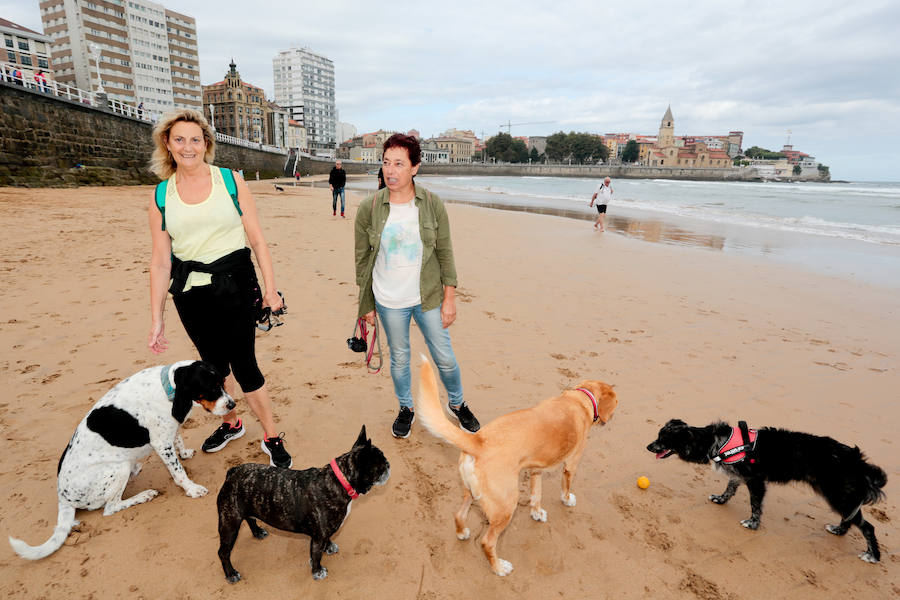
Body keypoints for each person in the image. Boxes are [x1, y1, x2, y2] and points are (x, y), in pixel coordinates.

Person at [147, 108, 292, 468]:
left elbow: (257, 240)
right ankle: (232, 423)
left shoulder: (230, 181)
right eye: (179, 139)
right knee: (213, 367)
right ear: (167, 143)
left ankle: (271, 435)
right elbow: (161, 262)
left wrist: (271, 291)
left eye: (195, 139)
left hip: (237, 285)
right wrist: (157, 319)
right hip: (191, 293)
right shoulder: (161, 195)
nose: (188, 147)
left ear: (206, 144)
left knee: (245, 365)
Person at [354, 133, 480, 438]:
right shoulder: (369, 208)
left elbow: (445, 253)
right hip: (388, 300)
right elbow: (362, 261)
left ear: (415, 167)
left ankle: (457, 403)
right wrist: (367, 305)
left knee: (445, 358)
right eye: (386, 163)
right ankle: (406, 408)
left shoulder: (432, 204)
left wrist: (450, 298)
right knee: (399, 358)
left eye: (399, 163)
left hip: (429, 297)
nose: (391, 170)